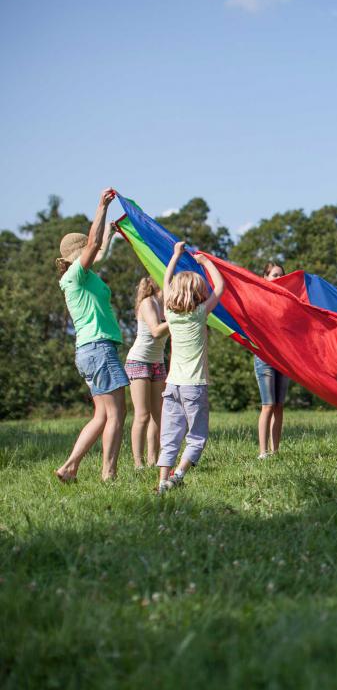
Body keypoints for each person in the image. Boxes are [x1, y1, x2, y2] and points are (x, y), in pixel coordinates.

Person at [54, 188, 128, 483]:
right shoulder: (76, 275)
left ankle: (69, 468)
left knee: (100, 415)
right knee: (116, 415)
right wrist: (101, 207)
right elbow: (94, 243)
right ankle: (108, 475)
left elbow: (99, 247)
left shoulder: (82, 276)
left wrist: (110, 232)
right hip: (98, 349)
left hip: (89, 350)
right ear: (78, 254)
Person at [156, 242, 224, 494]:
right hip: (194, 386)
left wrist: (174, 255)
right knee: (196, 437)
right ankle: (178, 475)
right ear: (198, 293)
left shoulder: (170, 315)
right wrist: (206, 262)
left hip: (172, 385)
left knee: (170, 436)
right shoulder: (199, 314)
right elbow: (221, 287)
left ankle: (161, 481)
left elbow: (165, 281)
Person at [124, 276, 169, 469]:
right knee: (142, 414)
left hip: (158, 362)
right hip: (139, 361)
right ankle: (138, 463)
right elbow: (156, 331)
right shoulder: (147, 302)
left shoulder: (167, 306)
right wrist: (181, 317)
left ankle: (153, 460)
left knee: (158, 415)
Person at [254, 262, 290, 459]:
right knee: (267, 405)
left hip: (284, 359)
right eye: (275, 275)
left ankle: (275, 451)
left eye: (281, 275)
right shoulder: (259, 300)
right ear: (265, 277)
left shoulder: (287, 301)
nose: (279, 278)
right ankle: (263, 451)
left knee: (279, 406)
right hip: (264, 358)